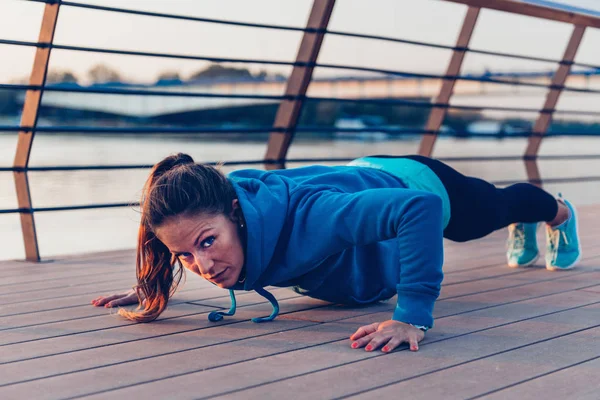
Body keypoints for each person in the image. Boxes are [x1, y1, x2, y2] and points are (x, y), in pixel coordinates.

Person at [91, 153, 581, 353]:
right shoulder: (214, 220)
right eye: (186, 257)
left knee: (490, 212)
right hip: (354, 187)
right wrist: (150, 288)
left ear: (237, 215)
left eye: (207, 243)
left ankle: (555, 213)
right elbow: (177, 244)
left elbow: (419, 209)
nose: (205, 266)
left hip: (409, 182)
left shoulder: (315, 218)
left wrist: (412, 315)